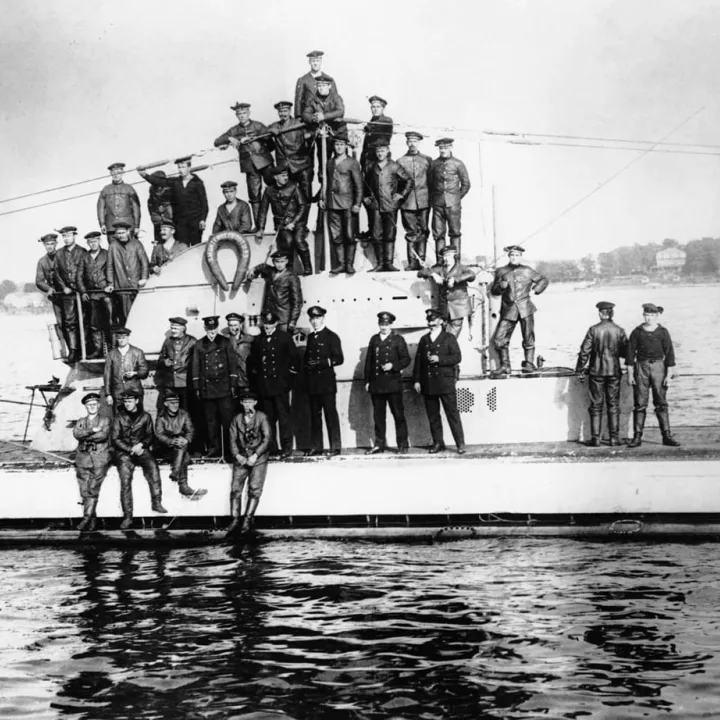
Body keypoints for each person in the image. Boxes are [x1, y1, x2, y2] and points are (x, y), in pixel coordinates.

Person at [626, 303, 681, 448]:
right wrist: (630, 375)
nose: (649, 318)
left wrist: (669, 376)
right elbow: (630, 355)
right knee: (640, 404)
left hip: (659, 368)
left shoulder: (663, 332)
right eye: (646, 315)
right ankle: (637, 437)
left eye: (652, 315)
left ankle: (667, 436)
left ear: (657, 316)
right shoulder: (637, 332)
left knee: (661, 403)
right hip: (641, 368)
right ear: (643, 315)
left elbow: (669, 354)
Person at [111, 388, 167, 529]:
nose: (128, 404)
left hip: (141, 449)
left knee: (153, 468)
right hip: (124, 452)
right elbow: (115, 439)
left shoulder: (145, 416)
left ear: (137, 401)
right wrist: (130, 449)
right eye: (125, 401)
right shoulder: (118, 417)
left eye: (130, 401)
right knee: (125, 480)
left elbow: (150, 436)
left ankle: (156, 502)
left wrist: (141, 445)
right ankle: (128, 516)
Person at [213, 103, 274, 231]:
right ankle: (259, 227)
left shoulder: (258, 125)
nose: (242, 116)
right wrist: (230, 138)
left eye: (244, 113)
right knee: (254, 197)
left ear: (249, 113)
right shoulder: (234, 130)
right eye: (239, 114)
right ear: (236, 115)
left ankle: (280, 223)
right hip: (249, 167)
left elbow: (269, 137)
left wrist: (255, 140)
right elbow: (217, 141)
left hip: (265, 163)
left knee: (275, 190)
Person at [575, 301, 629, 447]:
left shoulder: (593, 330)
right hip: (614, 371)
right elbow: (626, 352)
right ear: (612, 314)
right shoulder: (619, 330)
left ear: (600, 313)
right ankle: (613, 438)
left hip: (596, 371)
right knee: (613, 405)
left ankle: (596, 438)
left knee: (596, 405)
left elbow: (584, 352)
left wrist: (579, 369)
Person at [247, 311, 299, 459]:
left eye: (270, 324)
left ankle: (287, 448)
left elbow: (294, 360)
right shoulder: (259, 340)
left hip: (280, 386)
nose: (268, 327)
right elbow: (253, 362)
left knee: (284, 419)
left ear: (276, 324)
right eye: (266, 324)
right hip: (264, 387)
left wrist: (288, 381)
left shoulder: (285, 338)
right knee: (269, 420)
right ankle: (273, 448)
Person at [413, 309, 465, 454]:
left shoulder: (449, 338)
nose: (431, 323)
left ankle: (460, 443)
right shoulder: (424, 340)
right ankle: (438, 443)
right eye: (429, 321)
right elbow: (418, 361)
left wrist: (440, 360)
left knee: (452, 414)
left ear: (441, 321)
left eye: (434, 320)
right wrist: (417, 380)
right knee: (433, 415)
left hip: (445, 383)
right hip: (428, 383)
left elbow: (457, 357)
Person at [491, 245, 549, 374]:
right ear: (508, 256)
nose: (514, 257)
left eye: (516, 255)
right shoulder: (501, 271)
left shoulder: (527, 270)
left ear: (520, 257)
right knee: (499, 339)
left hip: (526, 309)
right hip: (508, 310)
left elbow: (543, 280)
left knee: (528, 337)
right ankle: (505, 366)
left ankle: (529, 364)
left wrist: (536, 291)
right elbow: (494, 291)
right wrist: (500, 287)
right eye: (512, 255)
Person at [364, 311, 411, 454]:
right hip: (377, 385)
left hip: (392, 384)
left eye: (386, 324)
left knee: (398, 415)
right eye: (381, 324)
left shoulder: (398, 339)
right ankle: (379, 444)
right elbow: (368, 362)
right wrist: (367, 381)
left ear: (391, 325)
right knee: (378, 417)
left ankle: (402, 445)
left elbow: (406, 359)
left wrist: (393, 366)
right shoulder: (374, 339)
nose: (384, 327)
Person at [226, 391, 272, 535]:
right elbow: (232, 440)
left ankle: (247, 519)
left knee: (254, 489)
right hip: (241, 458)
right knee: (235, 489)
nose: (248, 405)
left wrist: (256, 455)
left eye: (250, 402)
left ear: (255, 403)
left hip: (258, 459)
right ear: (241, 403)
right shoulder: (236, 419)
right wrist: (237, 455)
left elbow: (267, 438)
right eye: (245, 402)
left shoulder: (262, 417)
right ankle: (235, 520)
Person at [191, 315, 238, 458]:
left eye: (214, 328)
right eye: (209, 328)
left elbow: (232, 364)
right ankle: (214, 449)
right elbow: (195, 366)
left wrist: (233, 385)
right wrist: (197, 387)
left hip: (223, 388)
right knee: (210, 421)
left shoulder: (225, 342)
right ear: (205, 328)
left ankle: (230, 449)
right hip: (207, 389)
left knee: (227, 420)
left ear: (217, 328)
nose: (212, 331)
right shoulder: (199, 344)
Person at [363, 142, 413, 272]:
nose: (380, 153)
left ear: (388, 151)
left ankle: (389, 264)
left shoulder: (394, 166)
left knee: (390, 235)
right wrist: (365, 196)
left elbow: (408, 181)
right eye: (378, 151)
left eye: (383, 151)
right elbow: (364, 183)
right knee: (376, 234)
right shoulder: (371, 167)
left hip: (390, 206)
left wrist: (401, 195)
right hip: (376, 207)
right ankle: (380, 264)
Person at [138, 157, 208, 246]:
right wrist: (144, 175)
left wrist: (202, 219)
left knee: (196, 246)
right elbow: (159, 181)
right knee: (182, 247)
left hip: (195, 221)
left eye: (183, 167)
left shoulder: (197, 183)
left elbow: (204, 202)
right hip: (180, 222)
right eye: (179, 167)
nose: (180, 170)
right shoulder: (175, 182)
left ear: (189, 167)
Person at [255, 166, 312, 275]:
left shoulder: (294, 187)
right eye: (282, 175)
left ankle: (308, 268)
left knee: (299, 241)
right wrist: (261, 228)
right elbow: (263, 210)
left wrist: (293, 222)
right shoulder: (269, 191)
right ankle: (289, 271)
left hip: (297, 222)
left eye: (286, 175)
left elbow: (302, 206)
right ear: (275, 177)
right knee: (287, 243)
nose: (286, 177)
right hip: (281, 224)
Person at [303, 306, 344, 457]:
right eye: (312, 319)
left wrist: (322, 362)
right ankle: (316, 446)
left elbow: (339, 358)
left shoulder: (331, 336)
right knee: (315, 416)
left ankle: (335, 446)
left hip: (326, 383)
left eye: (317, 318)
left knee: (330, 415)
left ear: (323, 318)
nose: (315, 321)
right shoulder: (310, 338)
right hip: (313, 383)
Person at [321, 135, 362, 274]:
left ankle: (349, 264)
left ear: (346, 146)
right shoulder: (330, 162)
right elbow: (325, 183)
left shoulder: (352, 163)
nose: (338, 147)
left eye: (341, 144)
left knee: (350, 235)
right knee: (336, 236)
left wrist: (357, 203)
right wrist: (322, 198)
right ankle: (341, 264)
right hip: (333, 204)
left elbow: (359, 186)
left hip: (348, 204)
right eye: (336, 144)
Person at [155, 390, 207, 498]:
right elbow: (159, 435)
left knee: (181, 446)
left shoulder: (184, 414)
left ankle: (176, 472)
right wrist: (171, 441)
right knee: (185, 456)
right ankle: (183, 485)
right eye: (172, 403)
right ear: (166, 404)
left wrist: (186, 440)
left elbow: (190, 430)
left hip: (182, 445)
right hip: (167, 449)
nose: (175, 405)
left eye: (177, 403)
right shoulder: (161, 417)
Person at [72, 392, 112, 531]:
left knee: (93, 488)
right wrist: (92, 430)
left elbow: (103, 435)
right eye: (89, 405)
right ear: (85, 406)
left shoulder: (105, 420)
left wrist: (86, 435)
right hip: (83, 459)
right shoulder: (81, 421)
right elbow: (76, 433)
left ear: (99, 405)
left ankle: (86, 518)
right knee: (84, 489)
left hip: (99, 458)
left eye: (94, 404)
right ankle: (92, 521)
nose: (92, 407)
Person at [418, 246, 476, 337]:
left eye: (449, 255)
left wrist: (456, 279)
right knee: (444, 336)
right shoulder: (440, 269)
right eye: (444, 256)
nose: (446, 258)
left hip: (458, 308)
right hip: (444, 308)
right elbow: (420, 273)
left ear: (454, 256)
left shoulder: (461, 268)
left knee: (450, 338)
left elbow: (472, 275)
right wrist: (433, 274)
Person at [428, 138, 471, 256]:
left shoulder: (458, 163)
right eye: (441, 148)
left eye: (445, 148)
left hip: (453, 206)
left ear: (451, 148)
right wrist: (435, 200)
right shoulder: (434, 164)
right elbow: (430, 184)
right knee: (438, 234)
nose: (443, 150)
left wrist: (456, 198)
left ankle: (456, 262)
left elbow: (466, 184)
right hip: (438, 205)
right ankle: (440, 263)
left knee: (455, 233)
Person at [397, 131, 432, 270]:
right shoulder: (400, 161)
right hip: (407, 202)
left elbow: (431, 180)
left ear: (419, 143)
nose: (412, 144)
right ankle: (412, 262)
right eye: (410, 141)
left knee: (423, 231)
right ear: (406, 143)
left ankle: (422, 261)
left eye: (415, 141)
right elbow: (397, 183)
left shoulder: (427, 160)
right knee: (411, 233)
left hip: (424, 200)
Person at [106, 220, 149, 326]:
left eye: (123, 233)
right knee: (126, 317)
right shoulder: (113, 246)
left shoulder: (137, 244)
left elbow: (144, 263)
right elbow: (109, 266)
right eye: (118, 233)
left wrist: (143, 278)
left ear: (128, 231)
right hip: (122, 287)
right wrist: (111, 283)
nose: (121, 236)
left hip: (137, 286)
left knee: (140, 314)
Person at [77, 230, 113, 358]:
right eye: (90, 242)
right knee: (94, 323)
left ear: (99, 241)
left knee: (110, 321)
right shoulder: (84, 257)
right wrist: (83, 291)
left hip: (106, 293)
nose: (93, 244)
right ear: (87, 243)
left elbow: (111, 270)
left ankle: (112, 347)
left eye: (95, 241)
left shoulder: (107, 254)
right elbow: (79, 276)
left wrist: (110, 285)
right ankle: (98, 349)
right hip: (92, 295)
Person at [268, 100, 313, 202]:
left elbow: (312, 133)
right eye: (280, 111)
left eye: (285, 111)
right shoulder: (275, 126)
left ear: (290, 111)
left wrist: (308, 136)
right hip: (285, 167)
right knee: (290, 197)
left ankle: (305, 218)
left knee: (305, 196)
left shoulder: (299, 123)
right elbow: (265, 130)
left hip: (301, 164)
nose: (282, 114)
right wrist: (270, 131)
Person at [54, 225, 87, 363]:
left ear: (74, 236)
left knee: (84, 321)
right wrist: (64, 287)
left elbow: (87, 270)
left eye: (69, 236)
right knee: (69, 322)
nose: (66, 239)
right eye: (64, 236)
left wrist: (82, 288)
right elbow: (56, 272)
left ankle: (86, 349)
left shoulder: (82, 251)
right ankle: (73, 350)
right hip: (68, 294)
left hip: (81, 292)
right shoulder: (59, 253)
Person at [249, 250, 303, 334]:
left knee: (283, 343)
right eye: (277, 262)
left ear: (286, 261)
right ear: (273, 262)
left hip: (283, 319)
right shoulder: (271, 271)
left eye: (282, 261)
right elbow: (263, 266)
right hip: (269, 317)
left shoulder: (292, 277)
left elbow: (297, 301)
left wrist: (293, 321)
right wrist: (253, 270)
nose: (280, 264)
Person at [301, 74, 347, 168]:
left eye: (323, 85)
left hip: (338, 133)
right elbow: (305, 114)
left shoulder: (336, 98)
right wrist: (314, 118)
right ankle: (323, 181)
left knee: (343, 162)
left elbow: (340, 111)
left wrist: (324, 116)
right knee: (323, 163)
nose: (321, 88)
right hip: (323, 135)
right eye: (319, 86)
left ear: (329, 86)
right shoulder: (313, 100)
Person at [155, 317, 197, 410]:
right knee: (168, 409)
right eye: (172, 328)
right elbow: (161, 358)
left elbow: (196, 361)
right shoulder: (168, 341)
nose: (173, 331)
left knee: (186, 409)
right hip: (169, 383)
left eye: (175, 328)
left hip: (185, 383)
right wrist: (164, 362)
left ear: (183, 328)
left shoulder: (192, 341)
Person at [103, 327, 149, 408]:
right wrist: (108, 394)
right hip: (118, 394)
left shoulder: (137, 352)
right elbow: (107, 375)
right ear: (116, 338)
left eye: (123, 338)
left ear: (128, 338)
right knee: (118, 418)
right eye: (119, 338)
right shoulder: (111, 354)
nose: (121, 340)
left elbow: (145, 371)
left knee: (137, 418)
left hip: (135, 392)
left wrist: (135, 373)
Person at [97, 162, 141, 238]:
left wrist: (136, 225)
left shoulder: (129, 188)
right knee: (113, 248)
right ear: (110, 174)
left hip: (128, 226)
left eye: (118, 172)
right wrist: (102, 224)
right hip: (111, 227)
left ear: (123, 173)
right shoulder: (106, 189)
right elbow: (100, 208)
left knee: (130, 248)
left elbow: (136, 208)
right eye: (113, 172)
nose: (116, 175)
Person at [294, 50, 338, 119]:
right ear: (309, 62)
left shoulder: (329, 79)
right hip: (309, 117)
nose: (315, 63)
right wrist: (298, 117)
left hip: (326, 117)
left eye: (317, 61)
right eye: (313, 61)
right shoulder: (302, 80)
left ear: (321, 62)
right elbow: (298, 101)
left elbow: (335, 99)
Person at [35, 233, 64, 338]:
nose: (50, 246)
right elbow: (39, 281)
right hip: (56, 296)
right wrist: (48, 288)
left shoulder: (63, 256)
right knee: (60, 322)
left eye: (52, 243)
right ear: (44, 245)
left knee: (74, 322)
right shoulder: (42, 262)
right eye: (47, 244)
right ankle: (67, 349)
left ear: (56, 244)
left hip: (69, 294)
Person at [222, 312, 254, 395]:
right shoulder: (224, 340)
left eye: (235, 325)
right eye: (231, 325)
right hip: (229, 381)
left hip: (245, 380)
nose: (233, 328)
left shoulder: (250, 339)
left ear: (241, 325)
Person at [360, 96, 394, 172]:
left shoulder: (386, 120)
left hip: (380, 158)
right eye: (373, 107)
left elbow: (378, 124)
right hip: (368, 160)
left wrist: (368, 127)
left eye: (378, 107)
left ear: (383, 108)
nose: (375, 109)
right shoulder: (371, 122)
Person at [146, 170, 173, 244]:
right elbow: (150, 203)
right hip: (158, 221)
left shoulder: (170, 188)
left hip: (170, 220)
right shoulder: (152, 189)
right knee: (158, 242)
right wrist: (154, 215)